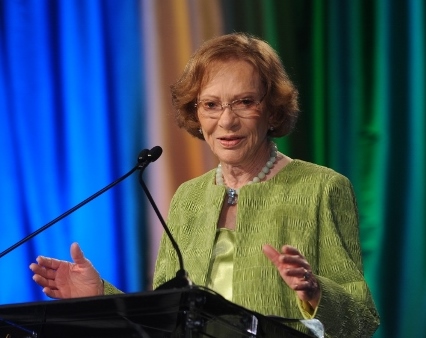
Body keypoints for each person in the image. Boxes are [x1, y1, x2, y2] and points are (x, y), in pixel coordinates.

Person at [30, 32, 379, 337]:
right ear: (195, 114)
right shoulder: (189, 198)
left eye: (244, 102)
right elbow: (164, 316)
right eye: (211, 105)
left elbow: (362, 320)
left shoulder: (322, 188)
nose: (226, 120)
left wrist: (317, 293)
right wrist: (99, 296)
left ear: (272, 110)